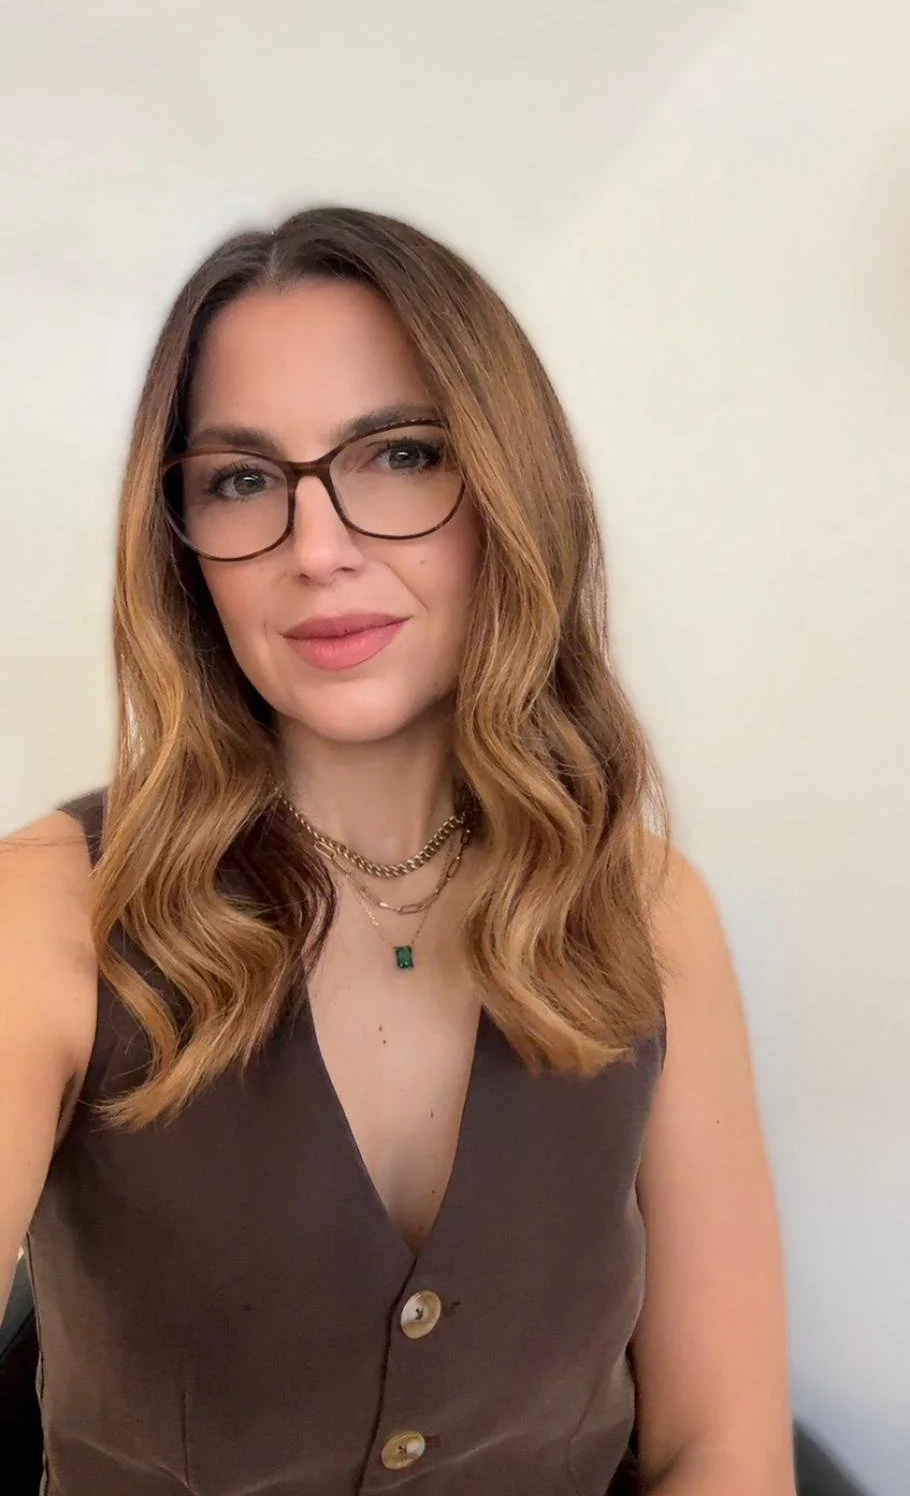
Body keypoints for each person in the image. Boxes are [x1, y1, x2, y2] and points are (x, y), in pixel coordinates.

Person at [0, 206, 795, 1495]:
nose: (319, 550)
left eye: (401, 455)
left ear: (508, 490)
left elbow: (721, 1447)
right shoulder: (46, 914)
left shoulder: (647, 906)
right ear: (182, 542)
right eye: (242, 480)